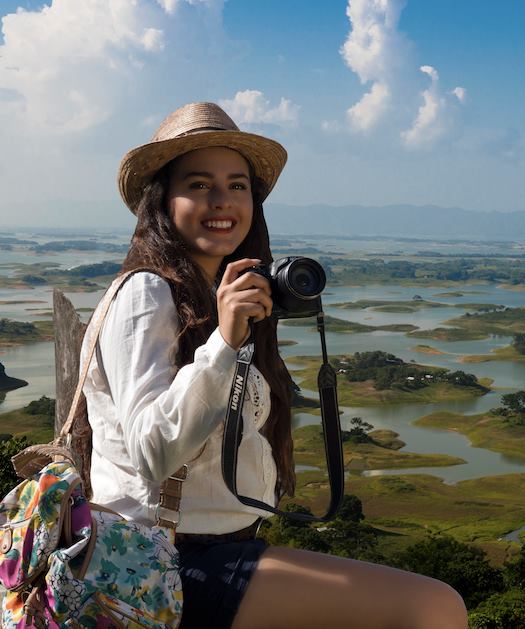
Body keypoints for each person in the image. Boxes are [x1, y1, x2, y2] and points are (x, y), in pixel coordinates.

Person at [81, 102, 468, 628]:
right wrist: (223, 341)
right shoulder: (147, 292)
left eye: (237, 186)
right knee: (433, 607)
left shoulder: (209, 291)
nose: (222, 201)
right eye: (198, 185)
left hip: (206, 551)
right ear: (162, 200)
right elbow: (152, 452)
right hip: (163, 562)